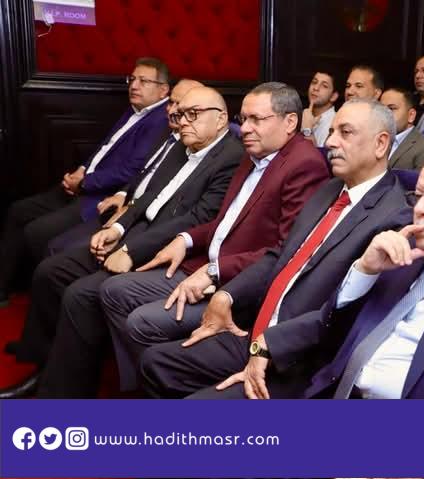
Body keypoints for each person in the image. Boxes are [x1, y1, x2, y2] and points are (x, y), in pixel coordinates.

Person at [192, 147, 424, 400]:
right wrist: (364, 271)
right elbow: (331, 327)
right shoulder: (403, 256)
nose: (421, 209)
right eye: (418, 196)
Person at [34, 82, 330, 398]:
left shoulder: (303, 164)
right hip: (203, 262)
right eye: (244, 119)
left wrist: (215, 271)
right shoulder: (255, 154)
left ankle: (163, 379)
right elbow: (221, 221)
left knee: (139, 320)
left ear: (290, 122)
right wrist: (185, 239)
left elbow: (287, 252)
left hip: (237, 285)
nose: (245, 128)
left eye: (256, 119)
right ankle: (153, 381)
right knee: (112, 290)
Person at [140, 98, 414, 399]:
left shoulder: (394, 218)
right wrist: (228, 294)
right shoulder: (330, 190)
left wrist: (271, 344)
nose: (330, 142)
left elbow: (350, 313)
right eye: (331, 131)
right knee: (155, 363)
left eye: (345, 133)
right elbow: (281, 255)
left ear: (380, 144)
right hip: (256, 330)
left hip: (297, 361)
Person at [0, 86, 242, 398]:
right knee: (50, 271)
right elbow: (148, 196)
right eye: (181, 113)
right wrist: (117, 228)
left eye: (193, 114)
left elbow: (196, 219)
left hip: (168, 247)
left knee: (80, 295)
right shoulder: (183, 145)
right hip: (138, 230)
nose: (182, 120)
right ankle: (41, 364)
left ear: (221, 118)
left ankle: (60, 396)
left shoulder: (231, 158)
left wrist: (130, 250)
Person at [0, 57, 171, 306]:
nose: (134, 85)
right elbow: (104, 148)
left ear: (163, 90)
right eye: (132, 79)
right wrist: (80, 171)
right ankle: (5, 288)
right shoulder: (134, 110)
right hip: (85, 183)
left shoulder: (160, 120)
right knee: (18, 210)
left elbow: (131, 171)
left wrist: (84, 183)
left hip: (100, 196)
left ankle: (43, 300)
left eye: (143, 81)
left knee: (36, 232)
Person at [45, 78, 204, 255]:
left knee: (57, 253)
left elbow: (162, 193)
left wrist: (130, 208)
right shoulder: (167, 131)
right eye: (171, 102)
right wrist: (122, 194)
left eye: (180, 106)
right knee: (54, 245)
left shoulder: (192, 147)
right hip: (120, 205)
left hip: (141, 222)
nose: (171, 110)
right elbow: (142, 171)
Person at [380, 87, 424, 171]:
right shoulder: (372, 141)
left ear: (411, 115)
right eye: (381, 109)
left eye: (392, 108)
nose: (384, 114)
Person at [300, 70, 339, 146]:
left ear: (333, 96)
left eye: (324, 86)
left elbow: (320, 154)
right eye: (314, 82)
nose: (316, 88)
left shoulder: (335, 122)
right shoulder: (303, 114)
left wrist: (307, 130)